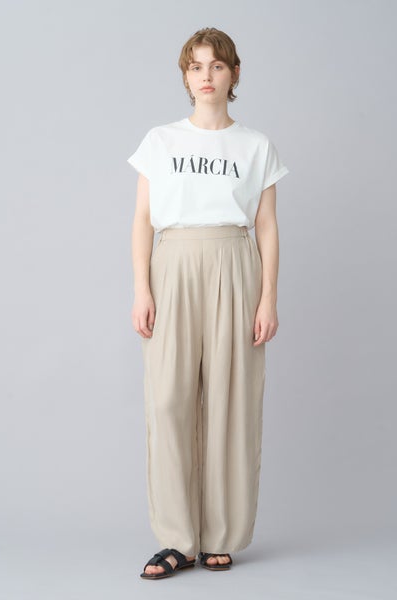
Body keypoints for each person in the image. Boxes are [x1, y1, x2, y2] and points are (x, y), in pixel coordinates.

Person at [127, 27, 289, 580]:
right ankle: (177, 539)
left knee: (231, 399)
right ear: (185, 76)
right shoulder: (160, 141)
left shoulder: (256, 146)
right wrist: (142, 288)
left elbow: (266, 227)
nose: (206, 76)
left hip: (234, 262)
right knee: (169, 399)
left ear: (234, 74)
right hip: (172, 263)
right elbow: (142, 221)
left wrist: (268, 298)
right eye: (196, 66)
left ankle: (222, 534)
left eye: (217, 66)